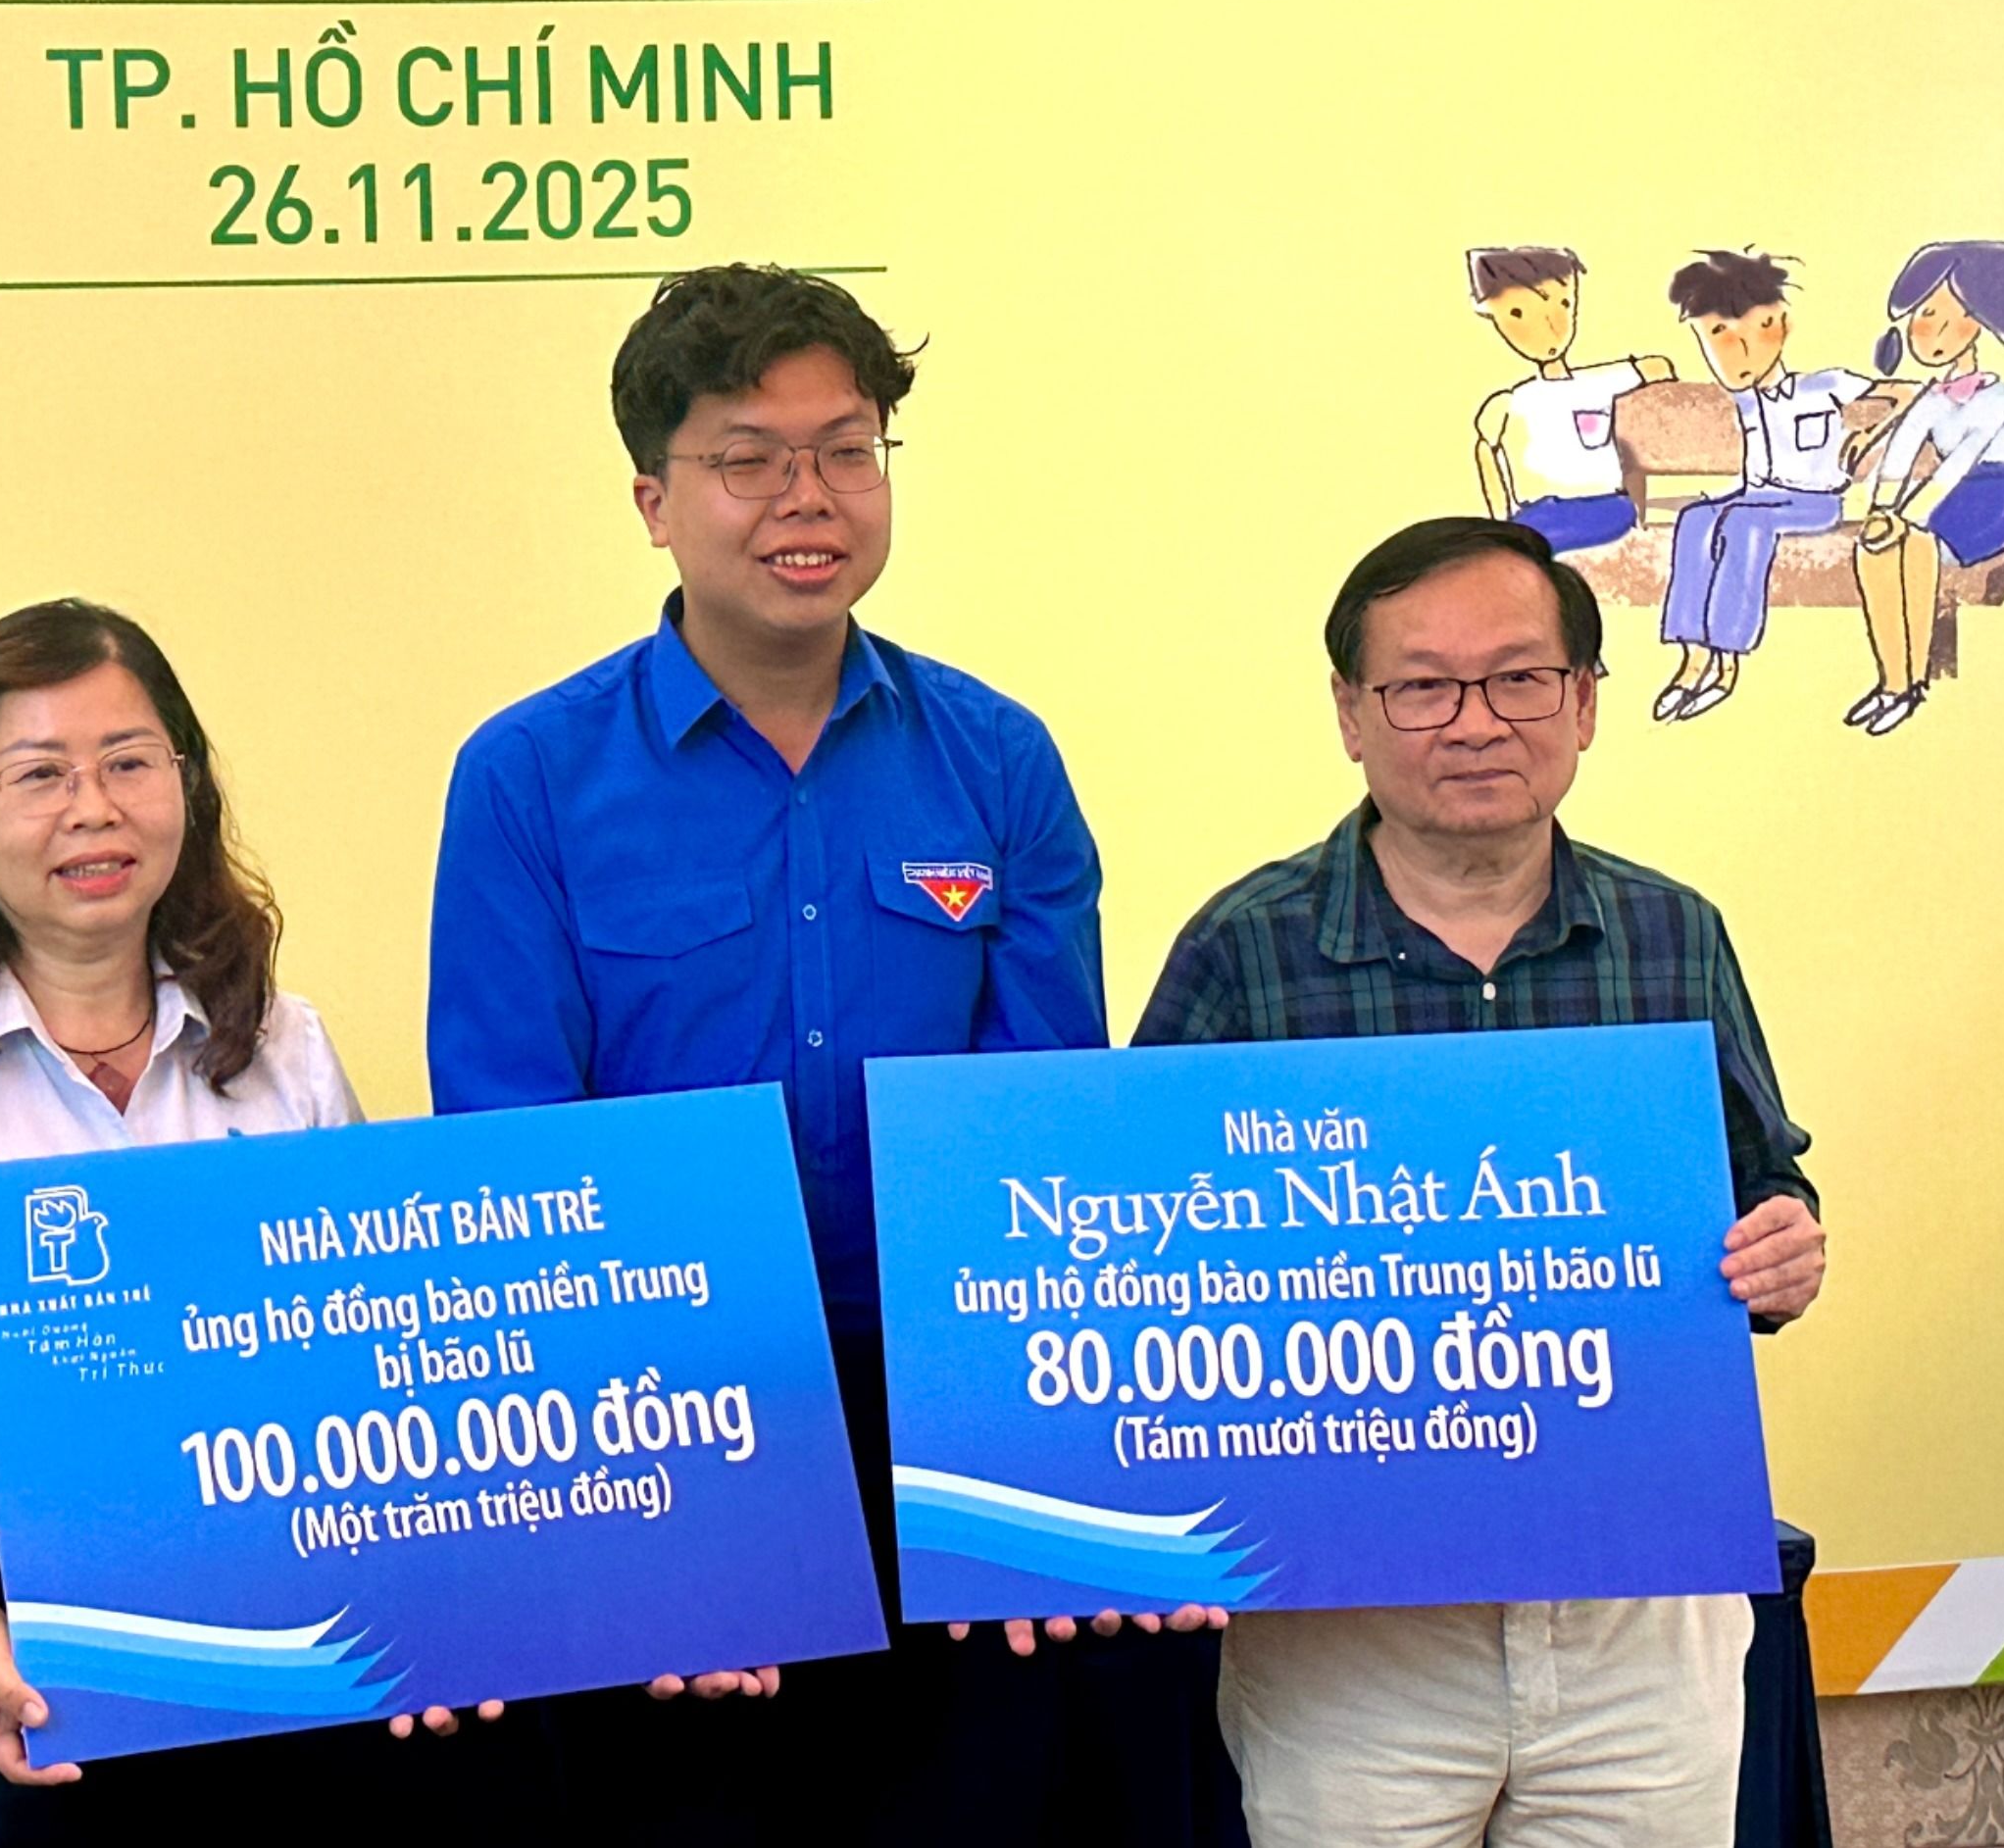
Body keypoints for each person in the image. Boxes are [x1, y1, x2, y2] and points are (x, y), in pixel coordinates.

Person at [426, 266, 1234, 1848]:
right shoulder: (527, 775)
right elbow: (516, 1144)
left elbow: (1036, 1129)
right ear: (653, 499)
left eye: (846, 449)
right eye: (749, 457)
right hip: (671, 1417)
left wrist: (1031, 1470)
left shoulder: (995, 756)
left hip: (945, 1417)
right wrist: (642, 1512)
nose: (808, 497)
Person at [0, 599, 478, 1846]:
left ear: (187, 789)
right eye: (39, 775)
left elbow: (355, 1353)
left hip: (270, 1648)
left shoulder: (283, 1048)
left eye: (130, 762)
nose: (93, 808)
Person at [1135, 516, 1827, 1848]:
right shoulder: (1246, 950)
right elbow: (1142, 1260)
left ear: (1584, 702)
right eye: (1422, 686)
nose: (1475, 721)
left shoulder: (1672, 932)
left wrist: (1787, 1244)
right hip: (1353, 1622)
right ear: (1351, 712)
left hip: (1636, 1599)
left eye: (1520, 678)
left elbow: (1762, 1184)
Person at [1846, 241, 2004, 734]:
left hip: (2001, 494)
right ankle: (1891, 682)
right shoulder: (1932, 398)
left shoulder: (2002, 398)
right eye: (1923, 314)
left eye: (1950, 314)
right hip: (1945, 496)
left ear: (1978, 322)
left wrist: (1909, 517)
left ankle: (1913, 683)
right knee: (1873, 549)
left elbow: (1962, 460)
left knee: (1917, 545)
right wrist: (1881, 510)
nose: (1930, 330)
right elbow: (1900, 453)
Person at [1651, 249, 1869, 722]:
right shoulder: (1745, 402)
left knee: (1745, 525)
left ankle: (1727, 661)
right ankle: (1693, 657)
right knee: (1697, 518)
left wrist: (1867, 433)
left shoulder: (1825, 386)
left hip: (1813, 502)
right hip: (1755, 495)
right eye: (1716, 335)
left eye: (1750, 330)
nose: (1733, 351)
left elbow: (1898, 394)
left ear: (1779, 324)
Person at [1467, 246, 1675, 554]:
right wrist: (1501, 519)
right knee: (1527, 537)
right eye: (1517, 314)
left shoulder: (1601, 383)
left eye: (1563, 304)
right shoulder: (1516, 400)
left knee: (1534, 541)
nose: (1550, 326)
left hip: (1606, 504)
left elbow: (1658, 367)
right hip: (1543, 511)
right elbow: (1487, 446)